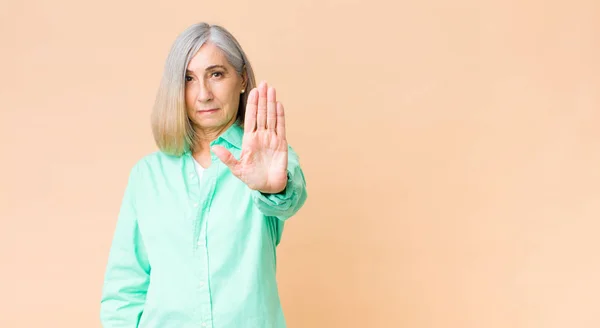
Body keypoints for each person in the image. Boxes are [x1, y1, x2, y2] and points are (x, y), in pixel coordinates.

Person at [99, 22, 308, 328]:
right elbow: (123, 291)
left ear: (241, 79)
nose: (203, 94)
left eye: (216, 74)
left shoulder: (268, 159)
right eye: (188, 78)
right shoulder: (147, 176)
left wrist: (274, 189)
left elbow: (290, 197)